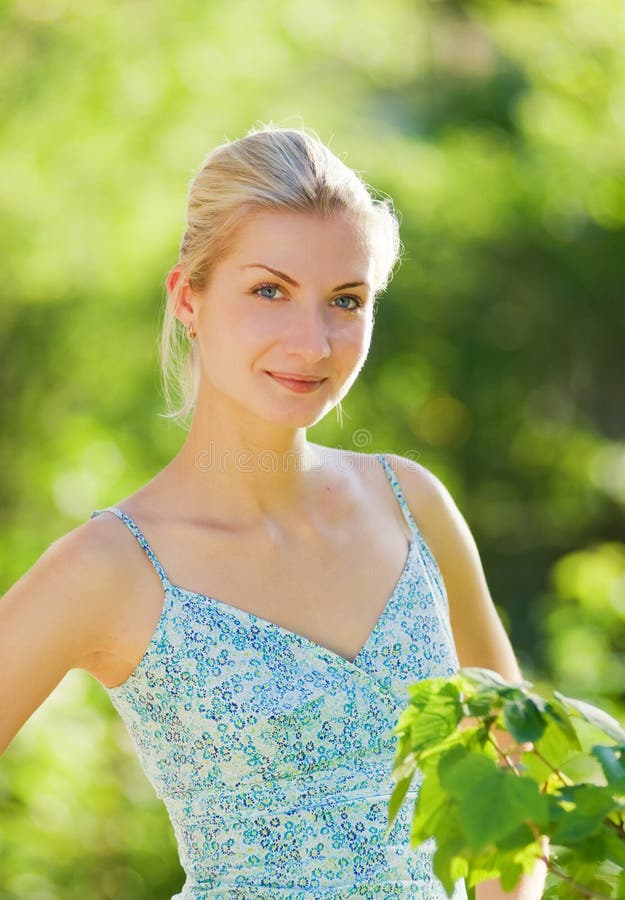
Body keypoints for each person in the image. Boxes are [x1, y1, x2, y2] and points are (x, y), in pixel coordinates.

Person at [0, 126, 546, 899]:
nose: (312, 342)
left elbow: (509, 781)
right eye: (269, 291)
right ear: (189, 298)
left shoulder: (412, 504)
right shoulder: (112, 565)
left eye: (345, 301)